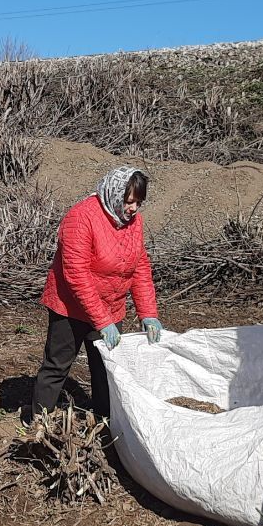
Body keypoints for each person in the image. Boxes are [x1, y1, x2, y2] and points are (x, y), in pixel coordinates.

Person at [32, 166, 162, 420]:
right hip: (70, 306)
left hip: (111, 305)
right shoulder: (81, 217)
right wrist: (102, 321)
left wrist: (148, 313)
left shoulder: (132, 221)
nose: (133, 208)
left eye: (138, 203)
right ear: (114, 194)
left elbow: (139, 265)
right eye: (128, 201)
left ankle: (107, 424)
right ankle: (38, 424)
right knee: (57, 366)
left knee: (107, 370)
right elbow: (76, 274)